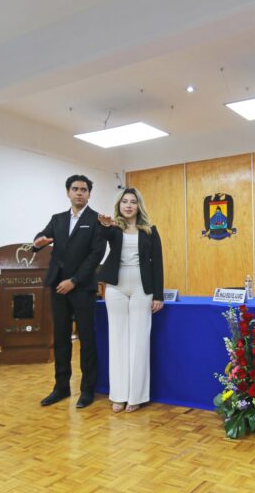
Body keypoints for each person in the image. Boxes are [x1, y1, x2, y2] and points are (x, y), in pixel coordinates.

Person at [34, 174, 105, 408]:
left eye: (84, 189)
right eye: (75, 189)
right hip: (57, 286)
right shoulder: (58, 219)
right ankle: (61, 387)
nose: (79, 193)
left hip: (82, 287)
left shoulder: (96, 220)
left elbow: (96, 255)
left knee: (87, 339)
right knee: (62, 338)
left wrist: (74, 280)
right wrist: (38, 242)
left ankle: (87, 390)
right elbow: (41, 237)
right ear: (68, 192)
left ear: (89, 194)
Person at [97, 188, 164, 413]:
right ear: (119, 205)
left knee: (139, 341)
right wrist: (105, 225)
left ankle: (135, 396)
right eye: (124, 201)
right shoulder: (113, 228)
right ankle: (118, 395)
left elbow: (157, 264)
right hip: (115, 287)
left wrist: (158, 295)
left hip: (141, 287)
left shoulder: (150, 231)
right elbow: (104, 236)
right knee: (117, 340)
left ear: (138, 206)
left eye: (133, 202)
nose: (128, 205)